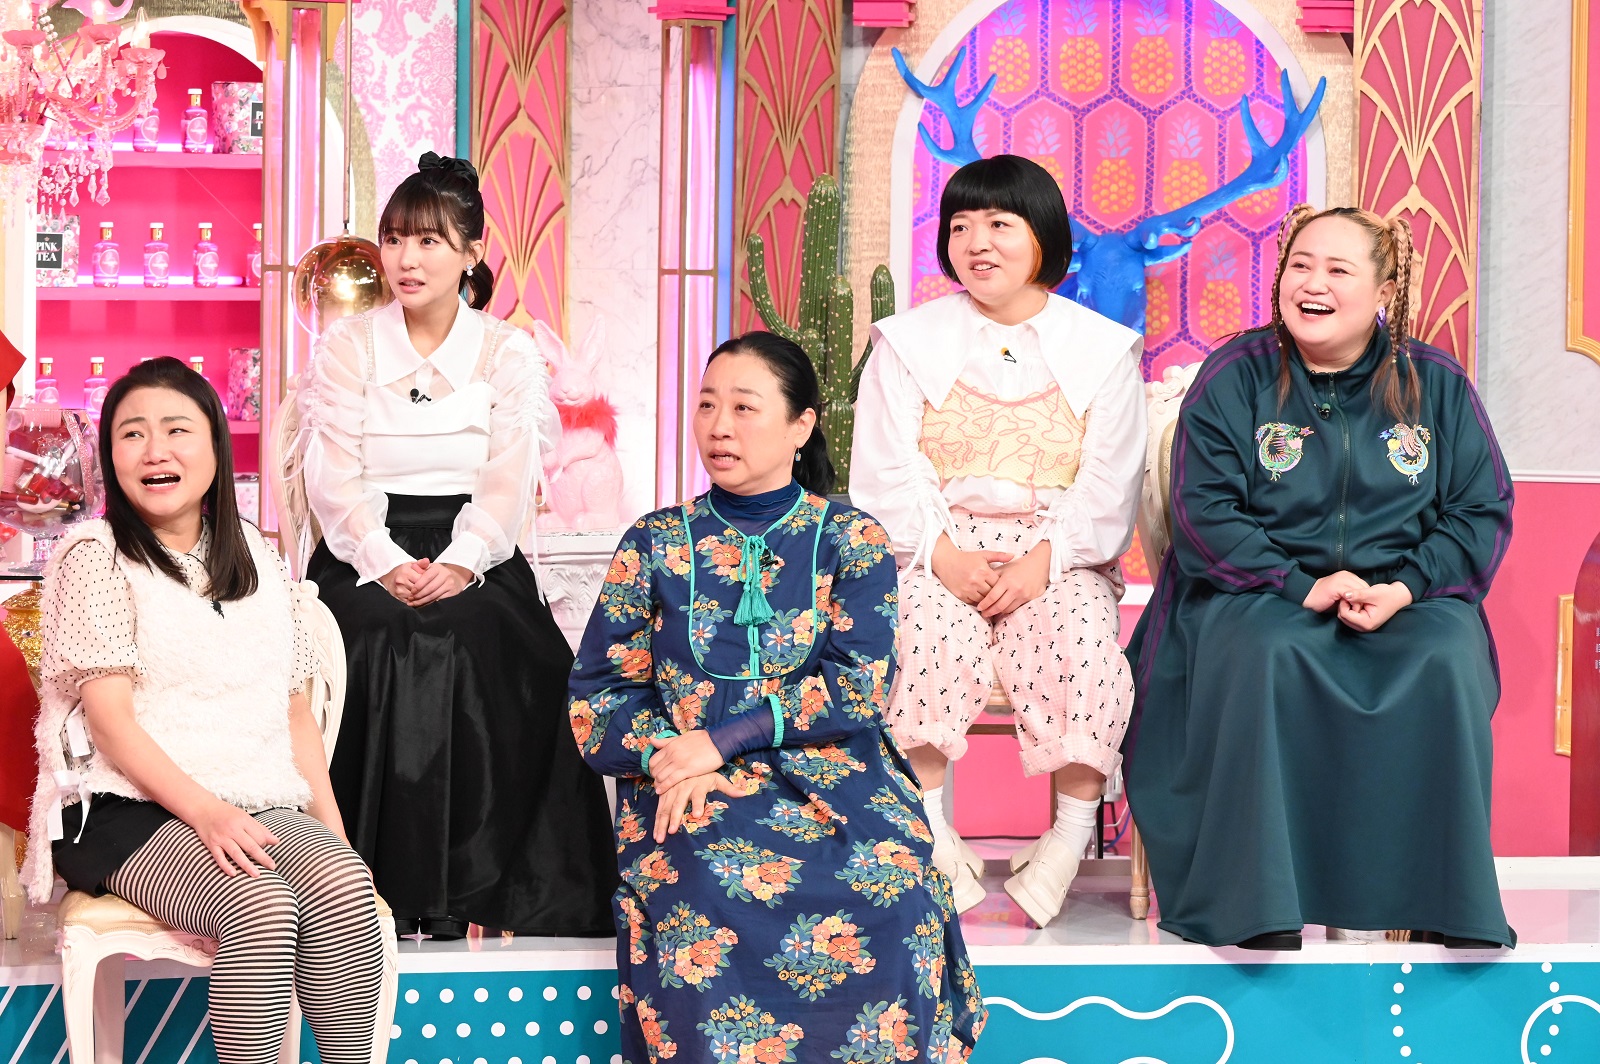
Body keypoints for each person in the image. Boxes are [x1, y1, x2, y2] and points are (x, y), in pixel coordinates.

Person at [568, 332, 986, 1063]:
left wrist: (720, 741)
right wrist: (674, 756)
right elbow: (599, 694)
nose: (719, 427)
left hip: (834, 774)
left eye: (743, 407)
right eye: (707, 406)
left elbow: (857, 685)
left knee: (895, 880)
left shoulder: (851, 538)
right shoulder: (655, 541)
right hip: (689, 783)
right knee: (703, 887)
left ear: (800, 426)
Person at [1125, 205, 1516, 950]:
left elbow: (1480, 509)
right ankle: (1259, 906)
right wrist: (1300, 584)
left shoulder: (1434, 382)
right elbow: (1204, 510)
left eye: (1338, 270)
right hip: (1256, 587)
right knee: (1267, 651)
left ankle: (1439, 901)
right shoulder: (1235, 374)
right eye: (1300, 266)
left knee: (1445, 654)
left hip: (1404, 591)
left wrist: (1404, 587)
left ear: (1384, 290)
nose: (1313, 284)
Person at [21, 357, 386, 1064]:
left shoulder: (257, 555)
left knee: (344, 888)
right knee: (260, 901)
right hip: (122, 806)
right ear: (110, 458)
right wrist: (209, 813)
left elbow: (292, 713)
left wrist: (335, 835)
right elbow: (110, 724)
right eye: (132, 434)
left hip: (254, 795)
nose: (154, 450)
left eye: (176, 430)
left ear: (216, 446)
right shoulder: (94, 555)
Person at [298, 151, 615, 938]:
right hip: (362, 547)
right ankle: (358, 890)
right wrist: (384, 561)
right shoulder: (348, 347)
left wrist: (463, 560)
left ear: (472, 252)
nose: (406, 259)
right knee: (375, 639)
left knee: (500, 646)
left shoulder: (507, 352)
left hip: (477, 548)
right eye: (395, 239)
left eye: (429, 241)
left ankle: (468, 894)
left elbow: (509, 479)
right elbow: (333, 478)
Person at [850, 154, 1146, 925]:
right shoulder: (905, 343)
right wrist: (942, 556)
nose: (977, 242)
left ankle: (1066, 840)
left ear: (1042, 235)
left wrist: (1045, 560)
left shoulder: (1103, 348)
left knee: (1083, 648)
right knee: (919, 637)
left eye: (999, 224)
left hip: (1059, 552)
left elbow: (1109, 479)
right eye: (960, 226)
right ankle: (934, 836)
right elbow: (885, 468)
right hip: (935, 548)